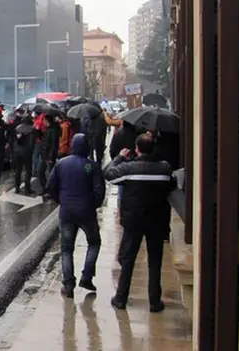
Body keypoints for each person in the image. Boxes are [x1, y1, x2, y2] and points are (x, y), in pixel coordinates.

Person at [104, 134, 176, 312]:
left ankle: (121, 298)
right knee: (155, 261)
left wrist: (120, 157)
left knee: (128, 260)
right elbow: (172, 185)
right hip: (157, 222)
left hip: (133, 221)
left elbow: (108, 173)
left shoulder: (129, 168)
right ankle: (154, 301)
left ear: (137, 149)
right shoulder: (164, 169)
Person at [46, 133, 106, 298]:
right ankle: (86, 276)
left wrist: (62, 201)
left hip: (66, 212)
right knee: (94, 243)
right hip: (86, 212)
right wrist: (92, 205)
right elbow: (99, 191)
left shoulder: (61, 164)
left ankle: (68, 284)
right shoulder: (92, 166)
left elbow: (51, 187)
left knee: (66, 249)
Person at [12, 115, 35, 194]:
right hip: (27, 152)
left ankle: (17, 187)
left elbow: (14, 141)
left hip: (17, 152)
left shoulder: (17, 128)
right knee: (28, 170)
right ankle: (27, 188)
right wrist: (31, 151)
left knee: (18, 170)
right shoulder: (31, 129)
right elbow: (31, 143)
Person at [38, 114, 60, 198]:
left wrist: (51, 157)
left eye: (44, 120)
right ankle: (44, 188)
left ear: (47, 121)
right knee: (40, 172)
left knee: (50, 175)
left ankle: (51, 192)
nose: (43, 122)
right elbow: (44, 140)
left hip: (49, 156)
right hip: (43, 154)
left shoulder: (54, 130)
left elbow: (53, 145)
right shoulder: (47, 129)